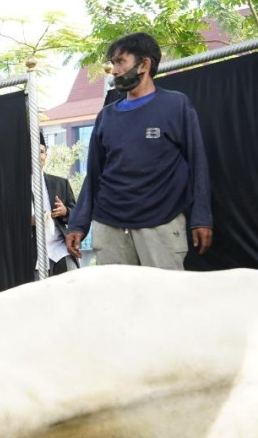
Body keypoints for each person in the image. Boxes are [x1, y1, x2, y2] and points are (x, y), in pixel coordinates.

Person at [65, 32, 213, 269]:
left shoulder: (176, 106)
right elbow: (93, 174)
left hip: (161, 223)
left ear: (144, 64)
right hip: (109, 225)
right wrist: (78, 224)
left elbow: (198, 164)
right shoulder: (106, 116)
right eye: (113, 63)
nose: (114, 71)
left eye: (120, 62)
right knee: (114, 302)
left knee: (164, 301)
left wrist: (202, 217)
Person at [35, 134, 78, 276]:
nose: (38, 155)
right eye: (33, 151)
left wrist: (66, 212)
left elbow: (78, 215)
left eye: (41, 152)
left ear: (46, 156)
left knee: (71, 288)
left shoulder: (60, 183)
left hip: (60, 250)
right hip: (32, 254)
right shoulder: (15, 187)